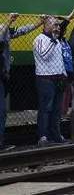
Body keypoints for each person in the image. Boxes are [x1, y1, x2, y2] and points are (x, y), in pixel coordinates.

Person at [0, 13, 46, 151]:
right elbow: (1, 37)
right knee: (1, 111)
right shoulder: (3, 30)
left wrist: (39, 23)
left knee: (1, 112)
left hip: (2, 77)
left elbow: (22, 30)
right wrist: (9, 21)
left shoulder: (5, 30)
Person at [33, 16, 68, 147]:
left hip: (58, 78)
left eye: (58, 25)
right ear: (46, 25)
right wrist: (53, 40)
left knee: (56, 109)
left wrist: (64, 75)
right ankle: (43, 136)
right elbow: (44, 55)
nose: (57, 27)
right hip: (45, 79)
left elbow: (59, 60)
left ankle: (56, 134)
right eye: (54, 25)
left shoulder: (57, 41)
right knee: (45, 108)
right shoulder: (40, 39)